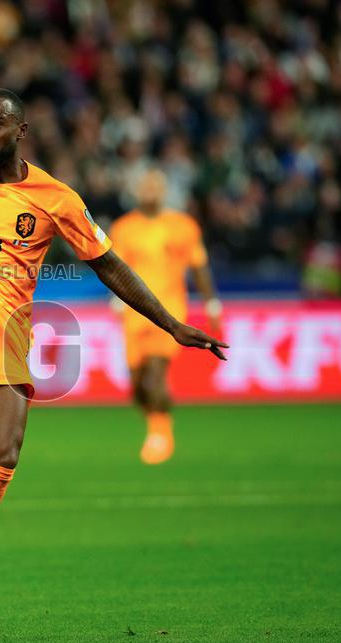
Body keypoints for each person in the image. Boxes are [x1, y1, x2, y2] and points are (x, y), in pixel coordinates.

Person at [0, 65, 227, 619]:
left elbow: (109, 265)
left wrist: (171, 323)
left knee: (1, 457)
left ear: (21, 131)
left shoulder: (57, 198)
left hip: (0, 329)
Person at [110, 169, 222, 464]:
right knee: (137, 385)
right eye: (144, 186)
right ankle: (155, 425)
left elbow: (199, 266)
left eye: (154, 186)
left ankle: (161, 433)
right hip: (134, 315)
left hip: (169, 312)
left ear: (163, 190)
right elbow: (116, 268)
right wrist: (116, 299)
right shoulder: (124, 228)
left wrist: (211, 302)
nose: (149, 191)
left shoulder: (183, 226)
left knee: (157, 374)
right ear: (136, 192)